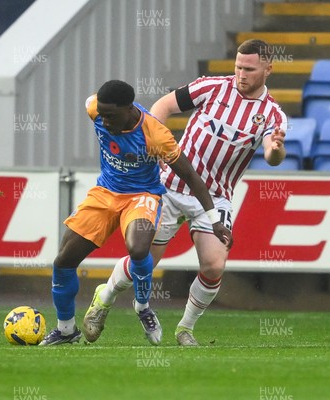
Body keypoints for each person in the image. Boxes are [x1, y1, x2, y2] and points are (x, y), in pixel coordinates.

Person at [83, 39, 287, 346]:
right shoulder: (212, 87)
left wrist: (275, 149)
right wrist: (149, 140)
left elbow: (273, 157)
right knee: (145, 261)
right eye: (238, 67)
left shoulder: (273, 116)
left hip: (215, 196)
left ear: (268, 69)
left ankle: (185, 328)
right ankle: (105, 296)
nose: (241, 74)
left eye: (249, 69)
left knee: (214, 264)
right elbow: (164, 106)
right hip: (169, 185)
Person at [39, 80, 232, 346]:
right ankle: (66, 330)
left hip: (142, 196)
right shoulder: (94, 108)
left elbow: (191, 176)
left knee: (138, 249)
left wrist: (215, 221)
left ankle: (142, 307)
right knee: (63, 261)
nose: (104, 122)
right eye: (102, 115)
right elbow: (94, 105)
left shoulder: (155, 135)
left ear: (129, 109)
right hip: (105, 193)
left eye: (111, 116)